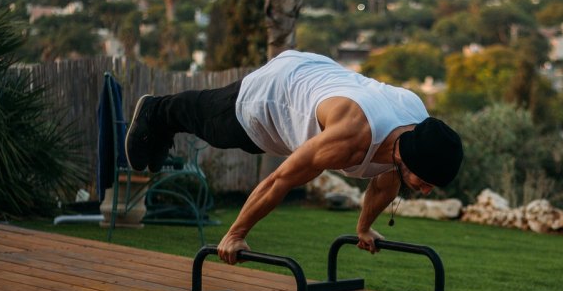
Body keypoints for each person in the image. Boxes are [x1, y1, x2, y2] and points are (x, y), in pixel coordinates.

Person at [125, 50, 463, 264]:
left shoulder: (415, 128)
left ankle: (161, 120)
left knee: (217, 124)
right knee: (213, 124)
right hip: (274, 94)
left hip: (318, 73)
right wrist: (235, 234)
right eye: (426, 182)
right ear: (408, 159)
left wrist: (365, 228)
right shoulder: (349, 136)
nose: (426, 190)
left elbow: (385, 185)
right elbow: (279, 180)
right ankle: (155, 112)